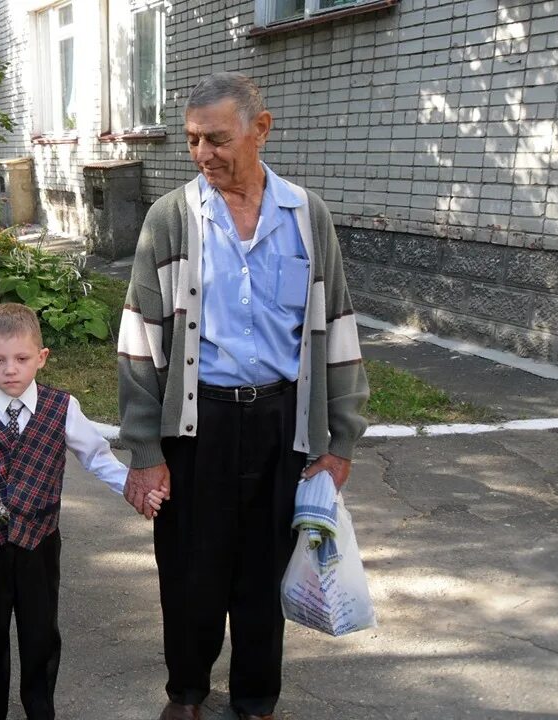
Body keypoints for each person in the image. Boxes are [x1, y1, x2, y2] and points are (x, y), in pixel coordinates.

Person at [117, 72, 369, 720]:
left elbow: (337, 327)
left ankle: (257, 698)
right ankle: (188, 693)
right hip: (198, 424)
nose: (203, 154)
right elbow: (140, 344)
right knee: (190, 572)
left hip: (282, 423)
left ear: (261, 130)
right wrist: (145, 450)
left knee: (264, 571)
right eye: (193, 141)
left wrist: (340, 440)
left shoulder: (306, 217)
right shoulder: (171, 218)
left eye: (217, 139)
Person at [0, 302, 162, 720]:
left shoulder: (62, 408)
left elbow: (96, 457)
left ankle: (41, 710)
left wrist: (133, 488)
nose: (10, 370)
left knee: (40, 635)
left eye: (21, 359)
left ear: (41, 358)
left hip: (39, 544)